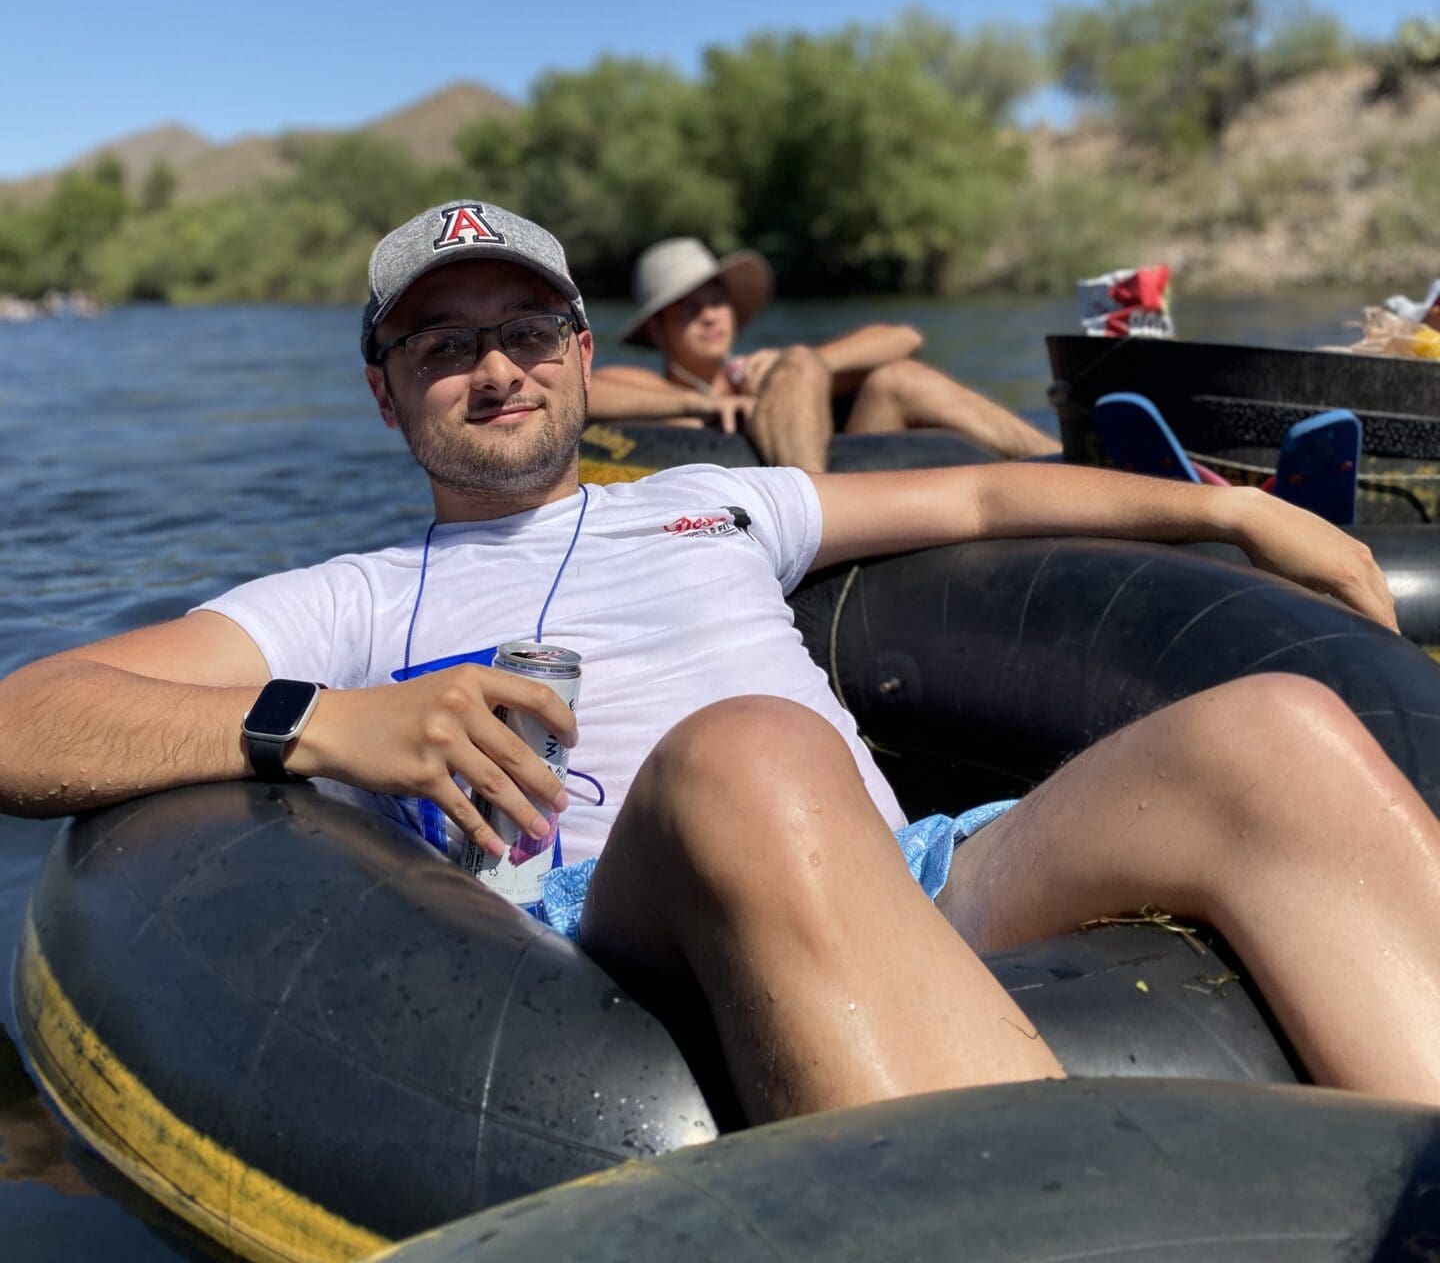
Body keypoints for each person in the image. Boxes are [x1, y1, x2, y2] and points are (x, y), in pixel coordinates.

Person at [1, 199, 1436, 1126]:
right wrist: (330, 725)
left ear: (579, 356)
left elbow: (984, 496)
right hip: (623, 940)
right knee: (757, 753)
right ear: (384, 395)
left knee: (1278, 728)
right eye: (442, 345)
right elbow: (28, 717)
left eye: (525, 331)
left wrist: (1240, 516)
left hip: (908, 871)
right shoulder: (354, 599)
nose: (494, 367)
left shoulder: (719, 501)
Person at [587, 237, 1058, 470]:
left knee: (897, 379)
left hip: (846, 487)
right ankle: (814, 515)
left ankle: (1067, 461)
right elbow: (589, 393)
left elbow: (904, 338)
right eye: (689, 309)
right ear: (657, 328)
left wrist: (799, 367)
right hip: (770, 516)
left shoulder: (773, 371)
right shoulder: (653, 389)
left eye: (717, 302)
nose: (710, 317)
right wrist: (703, 403)